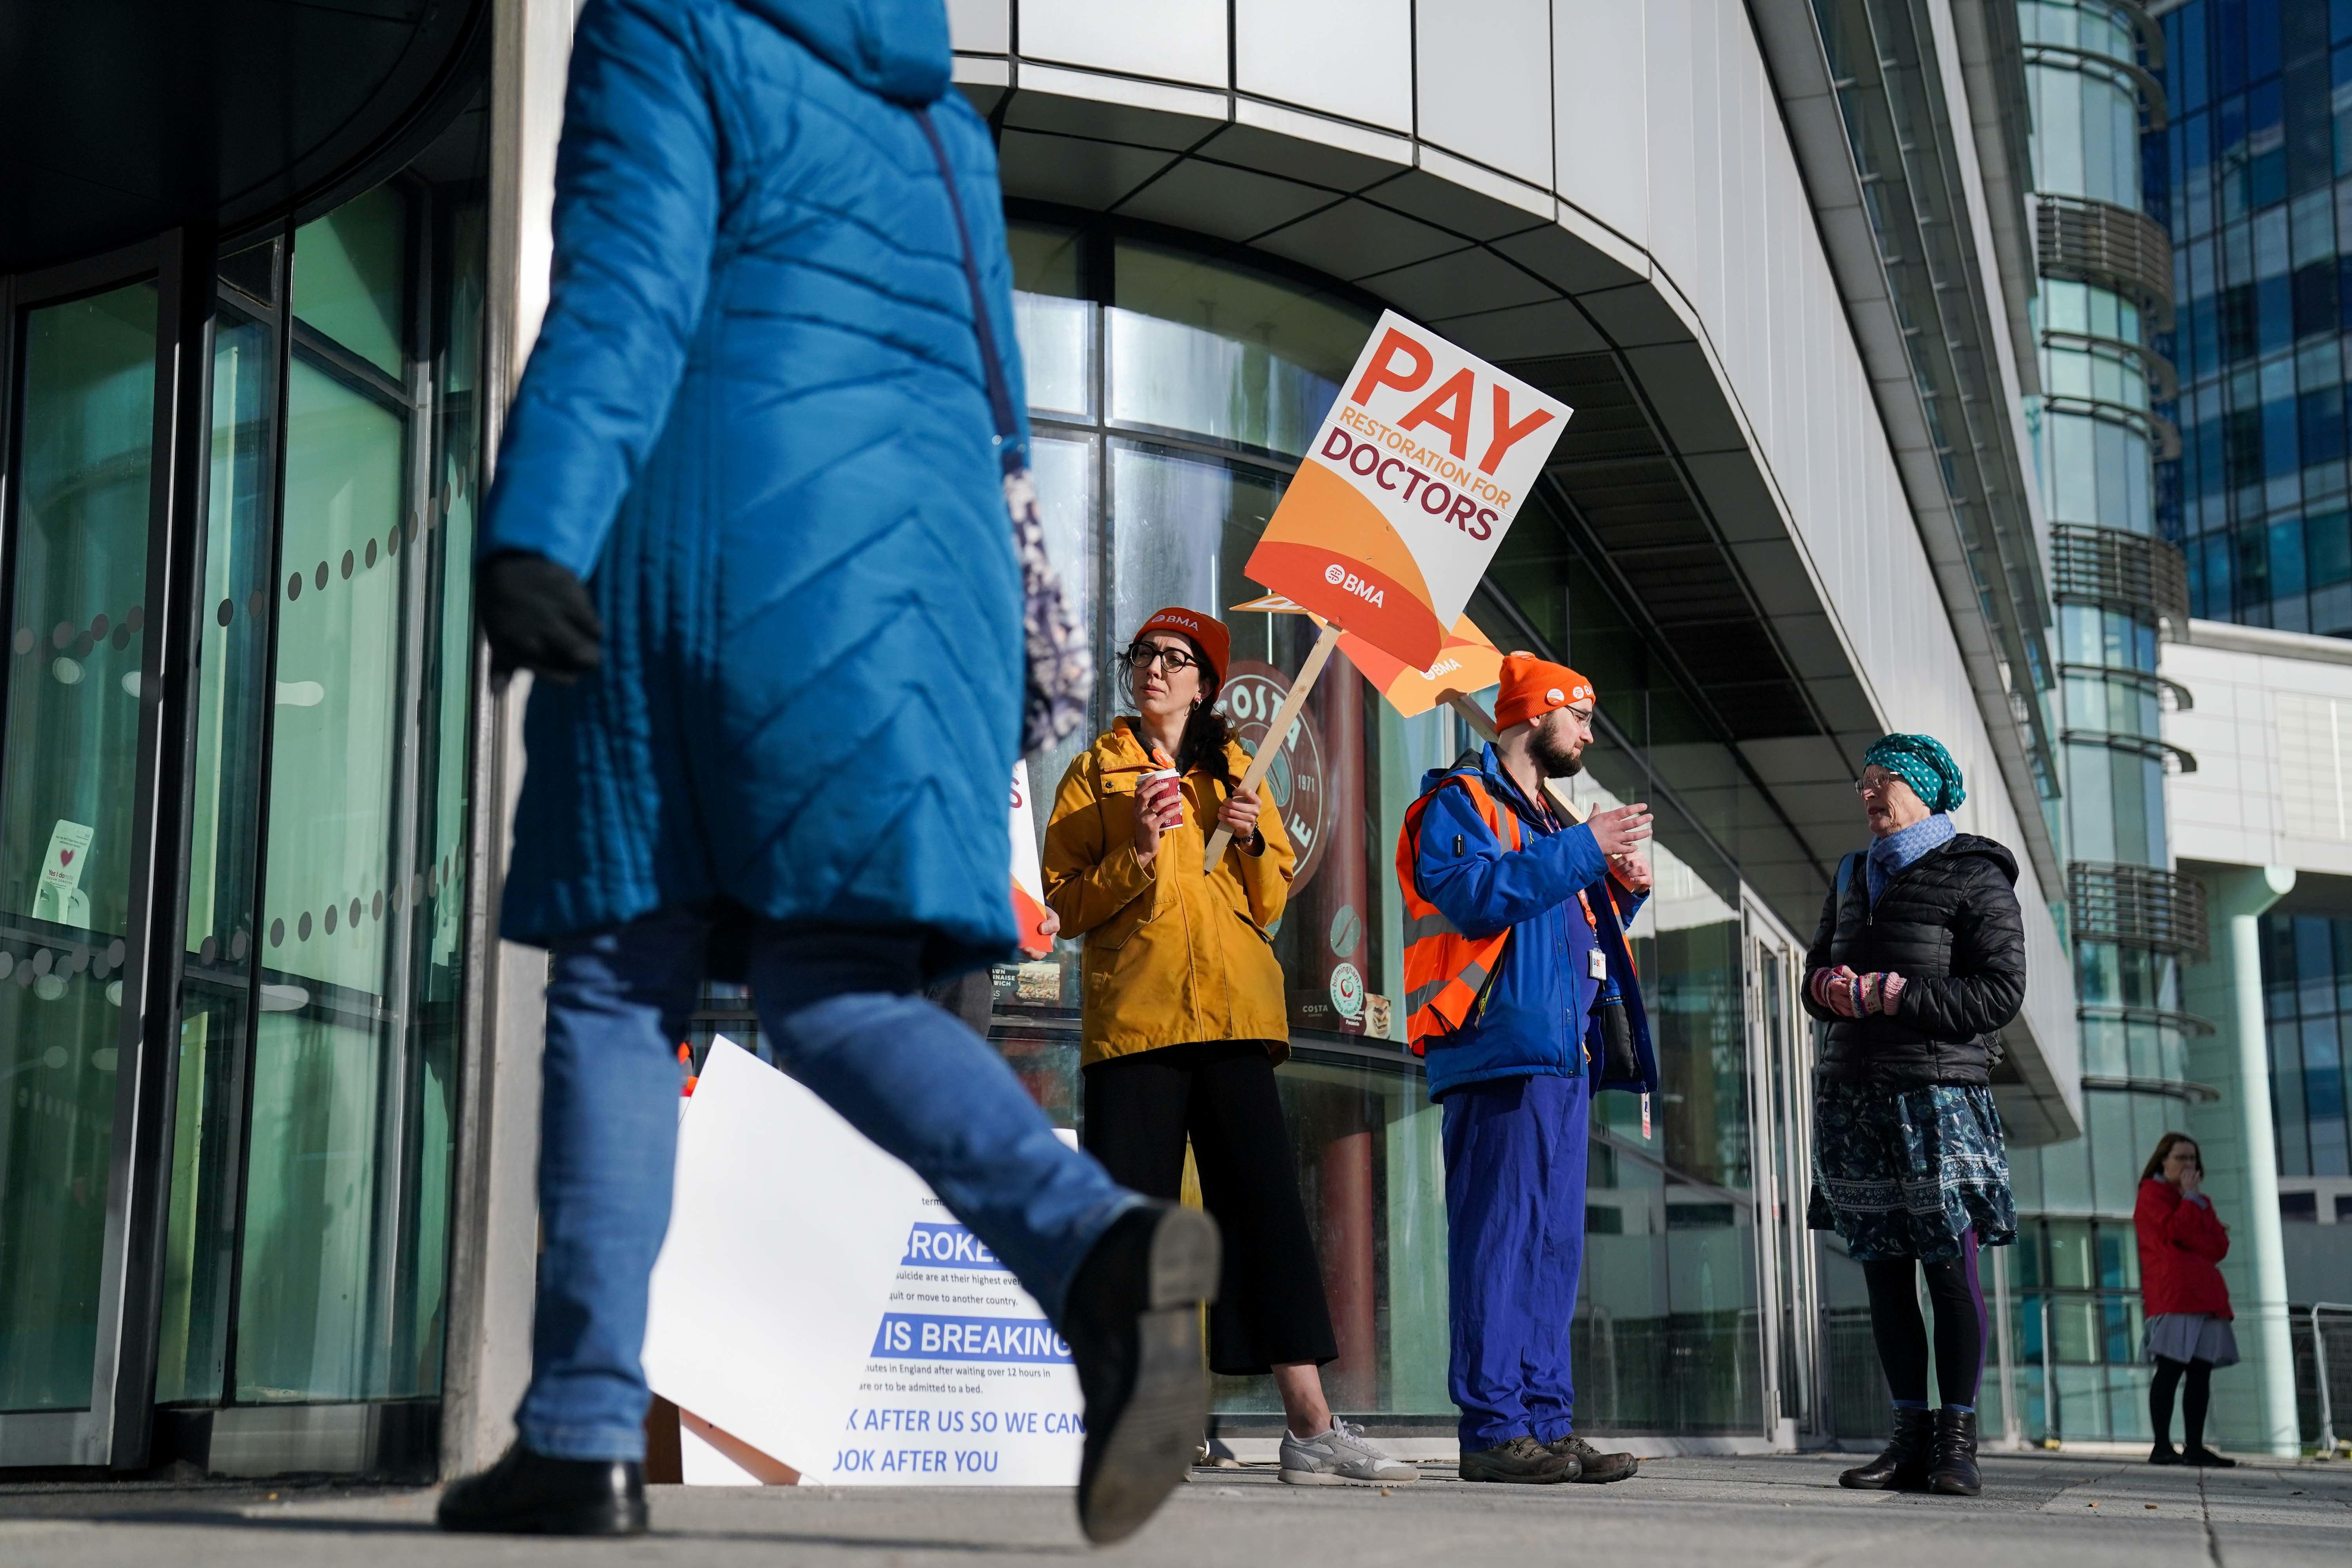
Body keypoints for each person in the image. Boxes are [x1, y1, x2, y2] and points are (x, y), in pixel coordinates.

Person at [439, 0, 1216, 1544]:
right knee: (839, 981)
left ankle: (583, 1428)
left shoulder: (670, 21)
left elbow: (627, 284)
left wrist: (535, 521)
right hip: (917, 581)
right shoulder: (939, 117)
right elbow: (1005, 404)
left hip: (713, 534)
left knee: (616, 971)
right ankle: (1099, 1244)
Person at [1041, 608, 1418, 1488]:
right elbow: (1061, 905)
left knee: (1267, 1216)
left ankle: (1311, 1425)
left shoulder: (1236, 769)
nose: (1155, 670)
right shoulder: (1096, 771)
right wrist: (1136, 849)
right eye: (1144, 656)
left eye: (1175, 659)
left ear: (1206, 682)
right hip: (1137, 1020)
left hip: (1236, 1018)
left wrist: (1250, 836)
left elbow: (1271, 899)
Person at [1397, 653, 1657, 1485]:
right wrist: (1586, 848)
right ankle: (1494, 1427)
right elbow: (1475, 895)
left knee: (1551, 1248)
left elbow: (1566, 931)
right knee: (1500, 1241)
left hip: (1561, 1054)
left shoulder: (1549, 821)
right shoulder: (1455, 803)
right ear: (1534, 714)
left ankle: (1545, 1420)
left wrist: (1623, 891)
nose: (1586, 732)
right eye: (1577, 714)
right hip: (1498, 1047)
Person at [1806, 734, 2022, 1499]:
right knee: (1884, 1274)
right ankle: (1905, 1440)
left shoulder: (1975, 872)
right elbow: (1813, 972)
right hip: (1854, 1093)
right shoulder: (1851, 871)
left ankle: (1957, 1445)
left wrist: (1896, 995)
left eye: (1883, 780)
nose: (1868, 793)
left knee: (1949, 1270)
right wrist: (1829, 985)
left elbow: (1999, 993)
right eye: (1862, 782)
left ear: (1926, 786)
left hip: (1937, 1100)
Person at [2136, 1133, 2239, 1467]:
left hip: (2205, 1294)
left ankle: (2194, 1446)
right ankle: (2162, 1446)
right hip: (2175, 1294)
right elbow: (2177, 1233)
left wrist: (2193, 1205)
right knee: (2170, 1369)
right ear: (2163, 1161)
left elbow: (2218, 1247)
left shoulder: (2199, 1200)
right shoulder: (2152, 1195)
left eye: (2193, 1158)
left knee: (2200, 1371)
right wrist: (2190, 1203)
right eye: (2181, 1158)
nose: (2188, 1165)